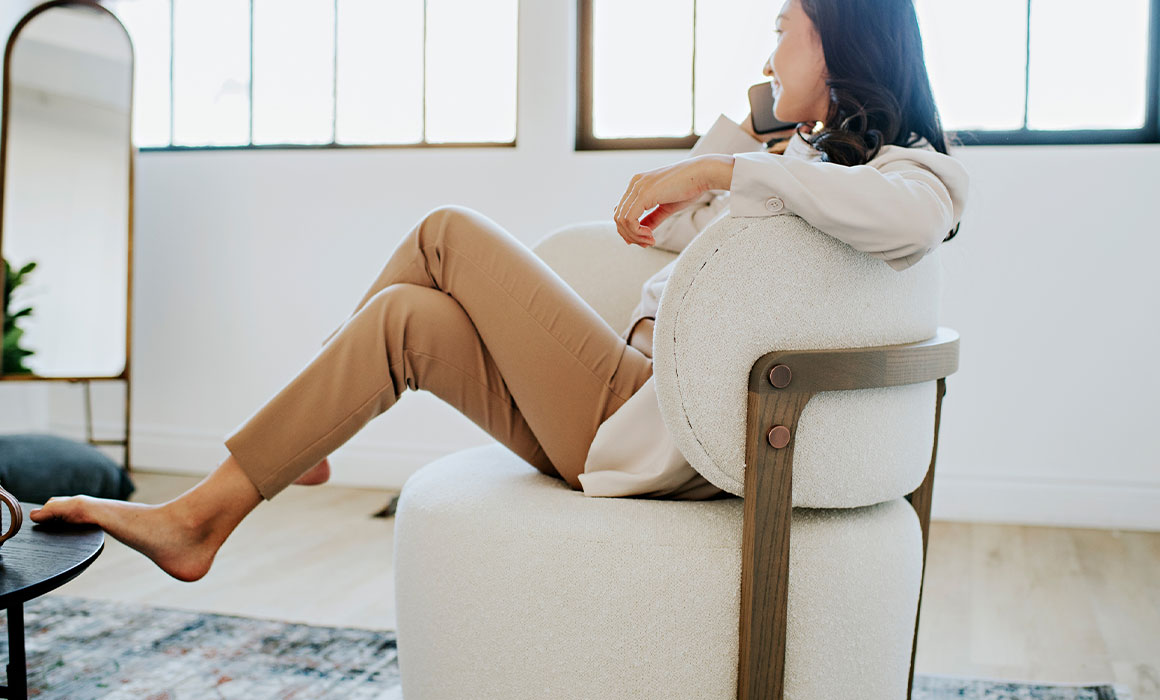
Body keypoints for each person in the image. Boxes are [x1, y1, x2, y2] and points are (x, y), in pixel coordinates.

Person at [28, 0, 970, 583]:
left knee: (446, 230)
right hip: (630, 413)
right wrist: (734, 144)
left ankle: (291, 427)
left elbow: (903, 220)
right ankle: (205, 518)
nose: (769, 58)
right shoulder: (802, 167)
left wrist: (724, 177)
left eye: (781, 30)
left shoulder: (918, 174)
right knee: (407, 320)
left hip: (649, 419)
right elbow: (658, 230)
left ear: (841, 33)